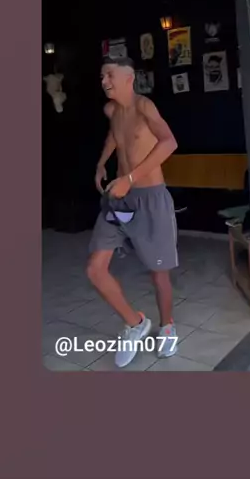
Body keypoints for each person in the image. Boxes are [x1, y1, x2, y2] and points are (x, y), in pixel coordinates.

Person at [87, 56, 179, 368]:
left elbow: (169, 142)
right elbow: (116, 135)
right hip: (119, 199)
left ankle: (167, 326)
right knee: (95, 269)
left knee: (158, 272)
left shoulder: (144, 106)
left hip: (149, 199)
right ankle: (135, 322)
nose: (104, 81)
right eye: (102, 76)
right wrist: (102, 163)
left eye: (109, 75)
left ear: (129, 78)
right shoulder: (111, 110)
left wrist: (130, 178)